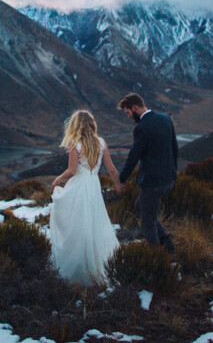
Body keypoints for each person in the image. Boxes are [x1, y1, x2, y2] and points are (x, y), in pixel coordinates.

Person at [50, 110, 122, 285]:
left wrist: (58, 179)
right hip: (93, 187)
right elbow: (111, 169)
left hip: (78, 187)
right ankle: (100, 263)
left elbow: (72, 171)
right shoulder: (102, 143)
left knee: (75, 223)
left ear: (76, 125)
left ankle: (77, 264)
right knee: (95, 222)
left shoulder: (74, 142)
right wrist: (119, 184)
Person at [117, 93, 178, 254]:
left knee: (147, 221)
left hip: (153, 182)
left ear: (135, 107)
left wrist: (122, 178)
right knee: (141, 206)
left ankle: (156, 256)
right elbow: (174, 148)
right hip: (168, 179)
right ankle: (166, 241)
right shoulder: (165, 118)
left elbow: (134, 156)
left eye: (128, 113)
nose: (129, 116)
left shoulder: (141, 128)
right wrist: (173, 172)